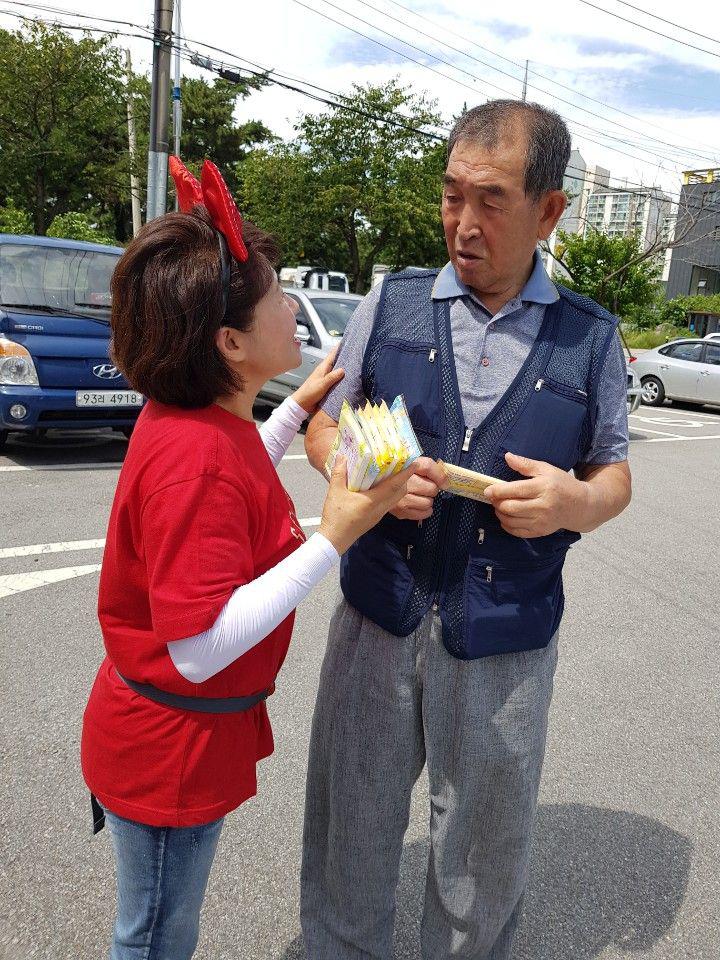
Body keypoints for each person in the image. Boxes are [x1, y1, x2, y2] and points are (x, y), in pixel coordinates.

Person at [301, 101, 632, 959]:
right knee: (350, 843)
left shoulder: (589, 337)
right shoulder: (393, 302)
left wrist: (573, 504)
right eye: (452, 196)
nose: (464, 223)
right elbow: (323, 425)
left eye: (491, 200)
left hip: (508, 641)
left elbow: (614, 475)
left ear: (550, 210)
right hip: (377, 615)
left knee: (480, 866)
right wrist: (358, 473)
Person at [80, 157, 413, 960]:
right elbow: (198, 648)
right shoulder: (193, 455)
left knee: (163, 921)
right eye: (275, 301)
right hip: (170, 748)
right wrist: (336, 534)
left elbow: (231, 487)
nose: (293, 309)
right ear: (229, 343)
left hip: (170, 737)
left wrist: (293, 413)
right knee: (157, 933)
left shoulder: (198, 420)